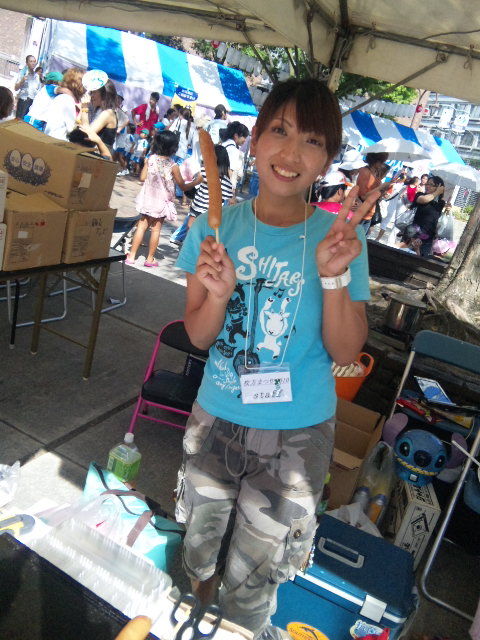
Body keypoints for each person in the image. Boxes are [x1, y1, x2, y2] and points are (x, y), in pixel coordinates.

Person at [174, 77, 378, 640]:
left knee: (255, 580)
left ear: (328, 160)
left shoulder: (339, 238)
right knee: (198, 556)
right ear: (255, 138)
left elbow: (346, 351)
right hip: (216, 417)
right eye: (280, 131)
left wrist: (333, 276)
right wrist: (219, 295)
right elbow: (198, 336)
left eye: (312, 141)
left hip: (297, 434)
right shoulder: (216, 228)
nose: (291, 154)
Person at [126, 130, 202, 267]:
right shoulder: (173, 166)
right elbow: (182, 186)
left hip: (147, 199)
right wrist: (196, 182)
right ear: (173, 148)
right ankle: (150, 259)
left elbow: (142, 178)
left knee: (141, 227)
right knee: (156, 230)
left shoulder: (150, 159)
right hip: (162, 202)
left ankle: (131, 256)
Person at [171, 145, 233, 246]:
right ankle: (193, 249)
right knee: (201, 235)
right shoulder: (225, 180)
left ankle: (189, 249)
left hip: (199, 209)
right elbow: (231, 201)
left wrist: (182, 185)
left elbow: (192, 185)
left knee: (191, 231)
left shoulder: (205, 173)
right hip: (208, 211)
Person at [399, 175, 445, 257]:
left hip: (427, 238)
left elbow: (434, 220)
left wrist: (448, 209)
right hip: (413, 233)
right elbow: (423, 200)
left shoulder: (441, 203)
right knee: (403, 256)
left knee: (420, 260)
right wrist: (437, 192)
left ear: (438, 187)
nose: (428, 186)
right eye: (427, 184)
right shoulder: (420, 195)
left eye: (431, 184)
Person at [43, 67, 85, 140]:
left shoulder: (64, 98)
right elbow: (72, 130)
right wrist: (83, 110)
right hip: (58, 141)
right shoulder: (67, 100)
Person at [80, 79, 119, 155]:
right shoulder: (99, 110)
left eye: (94, 92)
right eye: (91, 92)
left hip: (101, 157)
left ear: (104, 93)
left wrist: (84, 108)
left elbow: (87, 133)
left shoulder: (108, 113)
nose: (91, 96)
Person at [356, 152, 391, 234]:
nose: (382, 165)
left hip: (369, 213)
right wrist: (381, 187)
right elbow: (363, 196)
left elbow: (375, 194)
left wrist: (383, 191)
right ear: (376, 161)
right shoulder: (365, 172)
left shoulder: (376, 174)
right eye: (382, 162)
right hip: (360, 213)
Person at [374, 171, 407, 243]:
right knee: (384, 224)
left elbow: (385, 194)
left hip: (384, 204)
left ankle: (368, 234)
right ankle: (377, 239)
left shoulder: (392, 185)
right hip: (392, 208)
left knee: (374, 220)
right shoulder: (403, 188)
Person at [221, 120, 249, 198]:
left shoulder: (222, 145)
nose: (245, 140)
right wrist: (232, 195)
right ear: (236, 136)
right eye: (244, 137)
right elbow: (229, 173)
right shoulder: (233, 151)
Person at [14, 55, 42, 119]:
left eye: (34, 61)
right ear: (27, 63)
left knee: (25, 121)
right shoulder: (23, 73)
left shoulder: (36, 76)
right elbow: (16, 88)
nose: (33, 63)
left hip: (32, 102)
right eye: (31, 61)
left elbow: (38, 89)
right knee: (19, 120)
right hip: (23, 100)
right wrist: (22, 81)